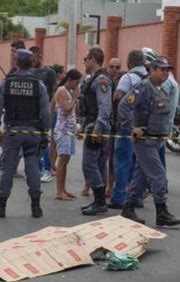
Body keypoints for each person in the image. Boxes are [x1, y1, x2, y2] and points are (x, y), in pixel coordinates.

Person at [118, 57, 180, 227]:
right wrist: (132, 127)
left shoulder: (162, 88)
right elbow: (124, 105)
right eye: (162, 69)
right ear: (152, 70)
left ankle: (128, 208)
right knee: (158, 175)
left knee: (141, 177)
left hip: (158, 140)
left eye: (167, 69)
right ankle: (162, 212)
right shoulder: (143, 87)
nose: (165, 72)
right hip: (145, 140)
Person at [0, 49, 50, 218]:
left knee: (8, 169)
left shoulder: (6, 84)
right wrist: (45, 134)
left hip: (12, 132)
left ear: (16, 62)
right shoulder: (39, 85)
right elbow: (46, 114)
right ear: (31, 63)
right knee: (32, 169)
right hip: (32, 133)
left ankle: (1, 207)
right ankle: (36, 207)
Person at [108, 49, 147, 209]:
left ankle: (119, 197)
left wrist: (118, 119)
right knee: (138, 163)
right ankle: (136, 197)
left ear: (129, 63)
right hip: (145, 127)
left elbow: (119, 97)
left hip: (127, 126)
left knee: (122, 161)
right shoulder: (150, 78)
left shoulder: (128, 77)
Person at [79, 47, 113, 216]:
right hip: (93, 125)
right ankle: (98, 200)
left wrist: (97, 129)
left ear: (93, 59)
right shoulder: (94, 79)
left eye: (86, 58)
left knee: (89, 164)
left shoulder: (101, 80)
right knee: (99, 164)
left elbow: (104, 107)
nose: (84, 61)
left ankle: (100, 202)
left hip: (97, 128)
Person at [0, 40, 26, 171]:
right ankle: (6, 162)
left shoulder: (26, 72)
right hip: (11, 113)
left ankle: (10, 165)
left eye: (14, 52)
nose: (12, 55)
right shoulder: (13, 70)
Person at [29, 46, 57, 183]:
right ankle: (38, 169)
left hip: (45, 112)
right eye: (30, 59)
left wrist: (50, 110)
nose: (32, 61)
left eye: (34, 58)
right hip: (32, 113)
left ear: (40, 56)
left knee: (44, 142)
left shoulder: (49, 72)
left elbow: (53, 92)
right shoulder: (29, 72)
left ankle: (47, 170)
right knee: (34, 142)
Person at [54, 69, 82, 201]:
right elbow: (66, 110)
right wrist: (75, 98)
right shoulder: (61, 91)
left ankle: (63, 189)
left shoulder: (69, 92)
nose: (77, 85)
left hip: (69, 130)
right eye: (76, 82)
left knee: (66, 161)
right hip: (63, 130)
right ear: (70, 80)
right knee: (62, 160)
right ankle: (59, 191)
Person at [105, 57, 122, 197]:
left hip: (117, 126)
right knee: (101, 155)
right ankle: (91, 185)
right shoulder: (103, 81)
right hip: (105, 124)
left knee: (114, 157)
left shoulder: (122, 83)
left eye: (117, 67)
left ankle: (111, 186)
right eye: (112, 67)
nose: (114, 70)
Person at [50, 64, 66, 176]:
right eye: (63, 72)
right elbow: (52, 102)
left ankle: (52, 164)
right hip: (57, 114)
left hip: (56, 114)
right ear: (58, 74)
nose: (64, 74)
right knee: (55, 142)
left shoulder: (57, 85)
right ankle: (51, 165)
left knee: (55, 141)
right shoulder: (57, 86)